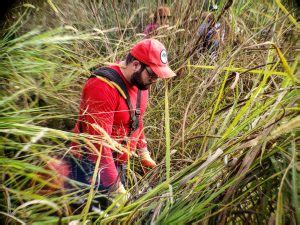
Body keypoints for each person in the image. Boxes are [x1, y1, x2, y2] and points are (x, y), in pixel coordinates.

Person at [70, 39, 176, 196]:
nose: (154, 81)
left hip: (117, 163)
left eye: (158, 76)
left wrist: (143, 153)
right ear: (135, 65)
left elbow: (136, 120)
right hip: (90, 166)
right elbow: (98, 145)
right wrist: (116, 189)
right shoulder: (103, 87)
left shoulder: (141, 84)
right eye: (153, 74)